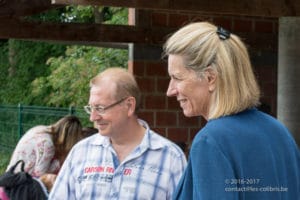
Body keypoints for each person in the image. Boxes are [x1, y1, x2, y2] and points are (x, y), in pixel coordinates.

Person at [163, 21, 300, 199]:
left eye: (177, 78)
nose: (170, 91)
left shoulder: (211, 141)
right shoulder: (279, 132)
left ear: (210, 77)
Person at [49, 67, 187, 200]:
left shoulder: (170, 158)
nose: (93, 117)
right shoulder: (80, 152)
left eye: (100, 108)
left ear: (129, 105)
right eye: (91, 108)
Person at [6, 115, 84, 177]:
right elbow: (40, 175)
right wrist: (59, 163)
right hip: (20, 185)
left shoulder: (41, 129)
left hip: (11, 175)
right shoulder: (47, 144)